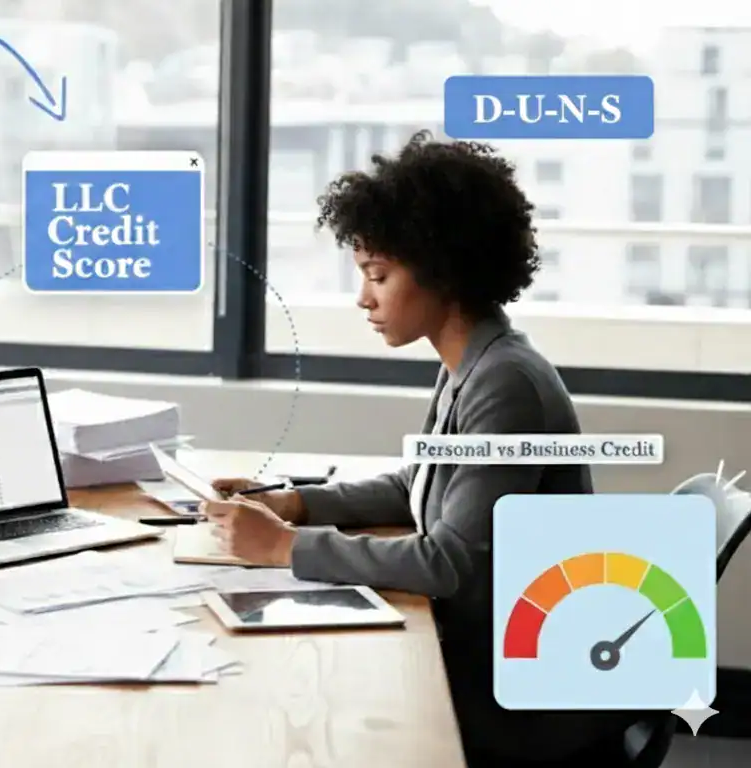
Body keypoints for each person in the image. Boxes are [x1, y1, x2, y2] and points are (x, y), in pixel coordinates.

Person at [205, 131, 634, 767]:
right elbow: (420, 486)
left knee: (307, 713)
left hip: (520, 696)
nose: (363, 298)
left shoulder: (505, 384)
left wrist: (282, 548)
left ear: (443, 269)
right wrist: (294, 503)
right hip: (489, 650)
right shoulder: (473, 362)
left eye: (379, 275)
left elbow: (450, 565)